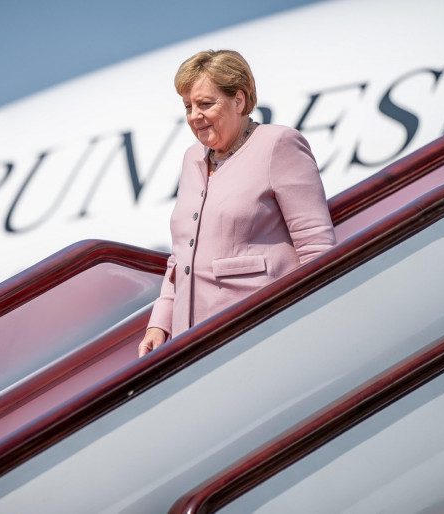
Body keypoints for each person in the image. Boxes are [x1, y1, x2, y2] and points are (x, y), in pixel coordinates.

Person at [138, 49, 336, 357]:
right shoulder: (192, 158)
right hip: (190, 340)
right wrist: (159, 324)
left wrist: (311, 322)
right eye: (188, 106)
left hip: (260, 329)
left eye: (205, 104)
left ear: (239, 100)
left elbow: (316, 247)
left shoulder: (278, 144)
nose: (194, 116)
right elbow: (180, 256)